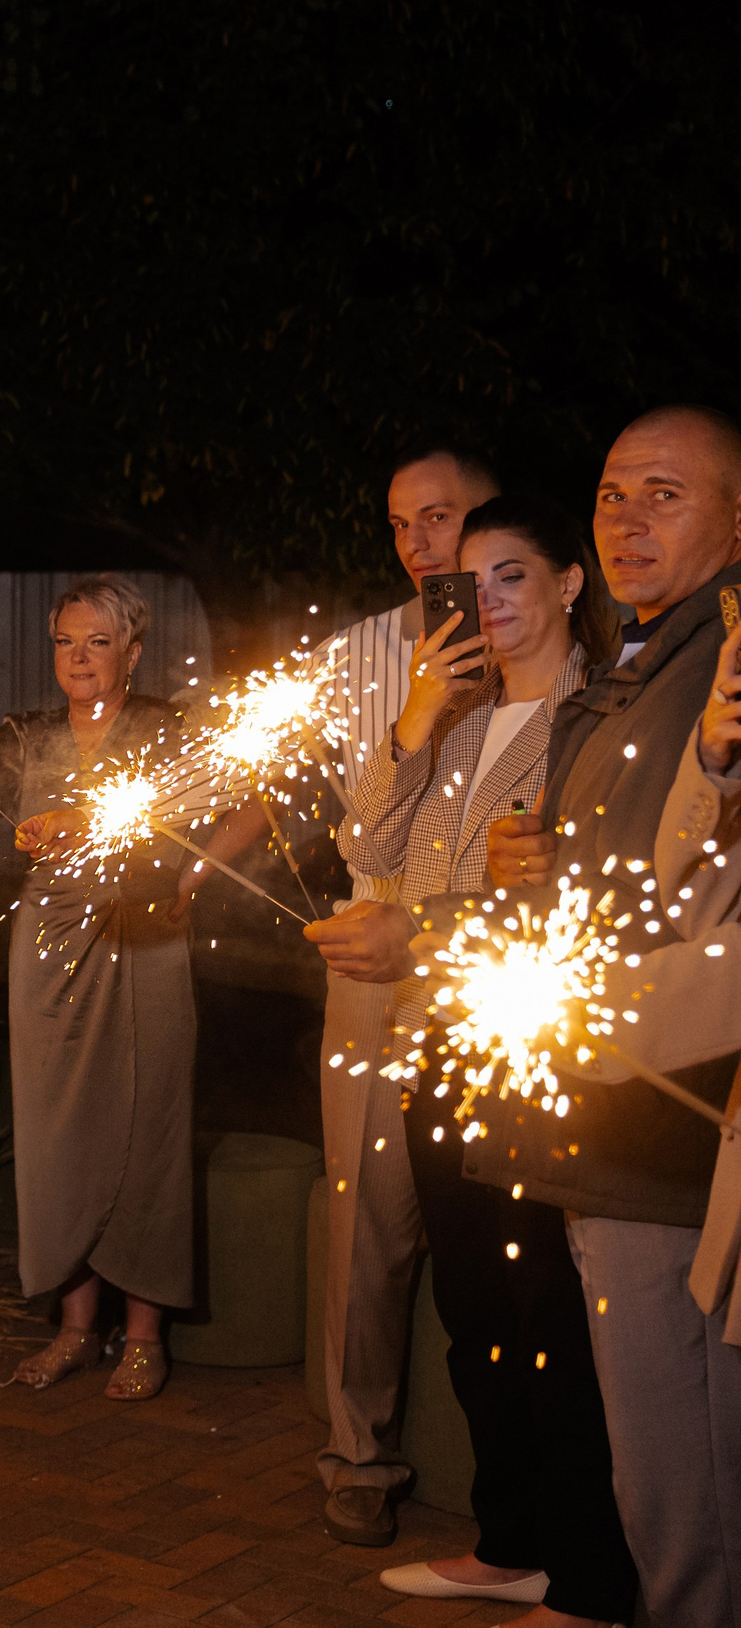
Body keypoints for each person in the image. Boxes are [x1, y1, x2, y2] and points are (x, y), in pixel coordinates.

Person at [343, 499, 638, 1625]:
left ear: (570, 582)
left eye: (513, 577)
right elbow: (367, 849)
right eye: (470, 588)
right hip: (442, 1045)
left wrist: (426, 928)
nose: (491, 606)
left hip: (546, 1053)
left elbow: (578, 907)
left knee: (551, 1317)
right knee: (477, 1314)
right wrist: (414, 719)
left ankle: (591, 1572)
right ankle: (511, 1539)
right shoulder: (458, 725)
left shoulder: (599, 720)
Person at [472, 406, 741, 1628]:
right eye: (611, 491)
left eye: (665, 495)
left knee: (689, 1496)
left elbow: (698, 893)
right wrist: (538, 861)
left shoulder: (721, 658)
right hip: (600, 1109)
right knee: (652, 1480)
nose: (627, 518)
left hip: (669, 1128)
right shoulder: (633, 662)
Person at [0, 575, 257, 1401]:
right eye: (65, 640)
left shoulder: (166, 731)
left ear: (132, 649)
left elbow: (256, 806)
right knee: (57, 1132)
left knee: (147, 1124)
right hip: (48, 944)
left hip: (146, 936)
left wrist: (192, 877)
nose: (79, 657)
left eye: (98, 641)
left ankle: (143, 1334)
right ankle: (74, 1327)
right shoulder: (32, 732)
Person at [298, 445, 499, 1546]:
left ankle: (521, 1479)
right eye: (400, 522)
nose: (421, 540)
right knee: (366, 1220)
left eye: (442, 516)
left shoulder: (555, 637)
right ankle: (358, 1455)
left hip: (502, 964)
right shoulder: (359, 652)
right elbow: (328, 804)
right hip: (377, 956)